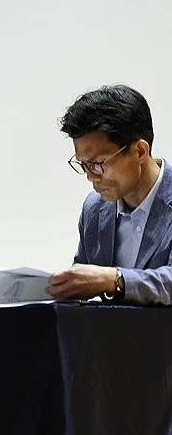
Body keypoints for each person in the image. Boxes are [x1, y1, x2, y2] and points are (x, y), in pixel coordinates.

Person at [46, 84, 172, 305]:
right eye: (83, 165)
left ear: (140, 151)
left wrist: (115, 279)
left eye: (97, 163)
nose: (90, 176)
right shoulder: (94, 209)